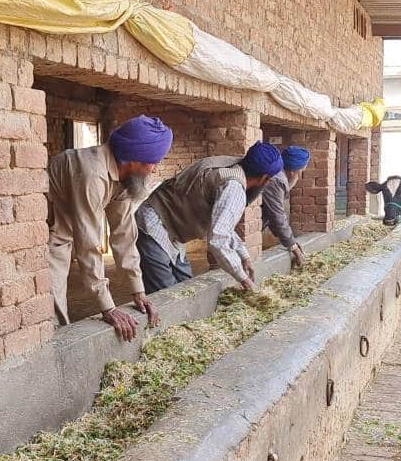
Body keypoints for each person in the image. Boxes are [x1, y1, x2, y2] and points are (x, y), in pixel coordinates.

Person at [47, 115, 172, 341]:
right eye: (152, 162)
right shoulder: (92, 174)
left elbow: (124, 234)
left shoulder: (126, 178)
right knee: (50, 308)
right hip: (46, 234)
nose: (154, 170)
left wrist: (138, 290)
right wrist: (107, 307)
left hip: (65, 233)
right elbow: (89, 242)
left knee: (55, 304)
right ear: (133, 160)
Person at [135, 141, 284, 293]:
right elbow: (218, 239)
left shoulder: (232, 169)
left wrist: (244, 256)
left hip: (173, 227)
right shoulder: (234, 188)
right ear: (264, 178)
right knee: (165, 291)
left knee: (186, 286)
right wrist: (243, 279)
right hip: (155, 222)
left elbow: (223, 225)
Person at [262, 146, 310, 267]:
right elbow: (277, 216)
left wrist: (290, 241)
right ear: (293, 171)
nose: (300, 176)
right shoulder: (277, 179)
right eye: (301, 171)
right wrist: (294, 248)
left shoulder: (278, 175)